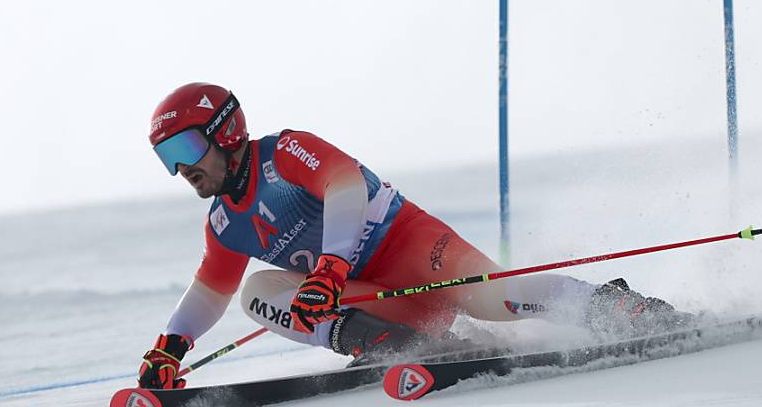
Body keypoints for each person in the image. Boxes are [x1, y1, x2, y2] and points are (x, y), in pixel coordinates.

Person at [136, 82, 689, 389]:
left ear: (226, 131)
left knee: (498, 300)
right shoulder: (224, 223)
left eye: (186, 149)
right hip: (379, 303)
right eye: (168, 159)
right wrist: (171, 348)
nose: (182, 169)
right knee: (258, 291)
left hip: (413, 250)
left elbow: (345, 184)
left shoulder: (282, 154)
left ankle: (621, 309)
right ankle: (389, 344)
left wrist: (329, 269)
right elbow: (209, 291)